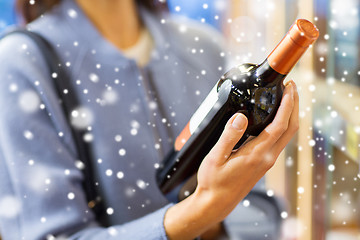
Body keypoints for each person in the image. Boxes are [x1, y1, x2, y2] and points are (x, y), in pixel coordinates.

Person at [0, 0, 299, 239]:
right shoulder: (21, 63)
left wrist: (212, 220)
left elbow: (262, 215)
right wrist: (201, 211)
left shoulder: (203, 46)